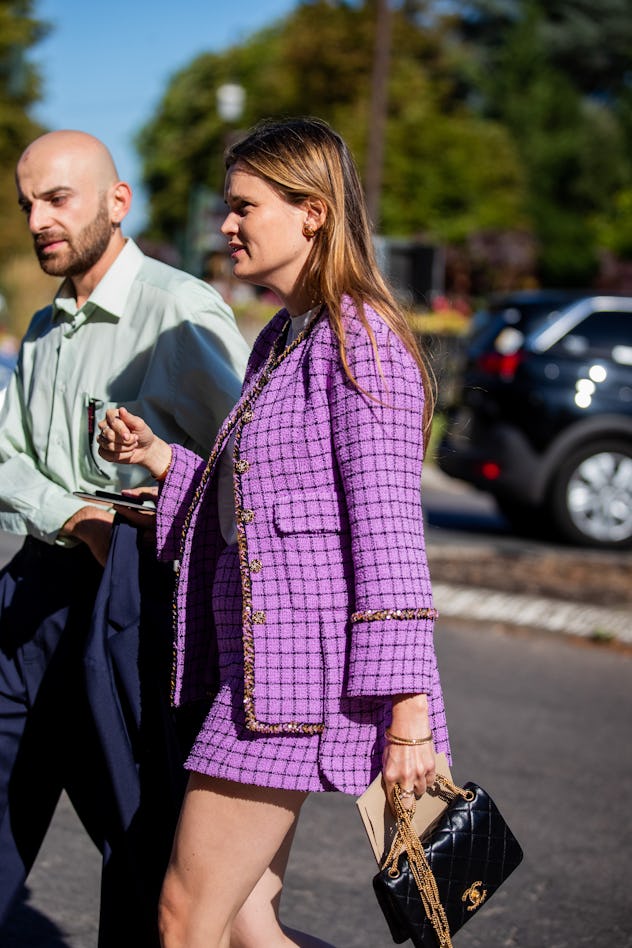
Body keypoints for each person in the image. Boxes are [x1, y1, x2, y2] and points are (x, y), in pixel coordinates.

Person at [98, 116, 451, 948]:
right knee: (248, 922)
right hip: (259, 678)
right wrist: (161, 460)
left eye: (244, 206)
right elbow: (258, 509)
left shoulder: (362, 343)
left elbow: (390, 534)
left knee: (186, 918)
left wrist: (412, 723)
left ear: (313, 213)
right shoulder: (285, 340)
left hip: (293, 693)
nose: (226, 226)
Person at [0, 130, 250, 946]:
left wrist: (147, 500)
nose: (39, 219)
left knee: (141, 849)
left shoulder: (179, 312)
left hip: (137, 599)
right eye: (27, 202)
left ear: (117, 202)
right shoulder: (42, 326)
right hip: (34, 586)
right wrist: (72, 512)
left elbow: (244, 473)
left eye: (58, 199)